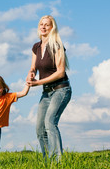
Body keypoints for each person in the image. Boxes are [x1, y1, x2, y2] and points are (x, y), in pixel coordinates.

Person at [26, 15, 72, 160]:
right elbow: (33, 67)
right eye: (41, 24)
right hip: (46, 93)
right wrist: (31, 74)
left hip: (61, 89)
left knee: (50, 122)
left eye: (47, 25)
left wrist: (38, 83)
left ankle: (58, 161)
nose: (43, 27)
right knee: (40, 129)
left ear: (52, 28)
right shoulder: (36, 47)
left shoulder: (57, 45)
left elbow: (60, 72)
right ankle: (48, 161)